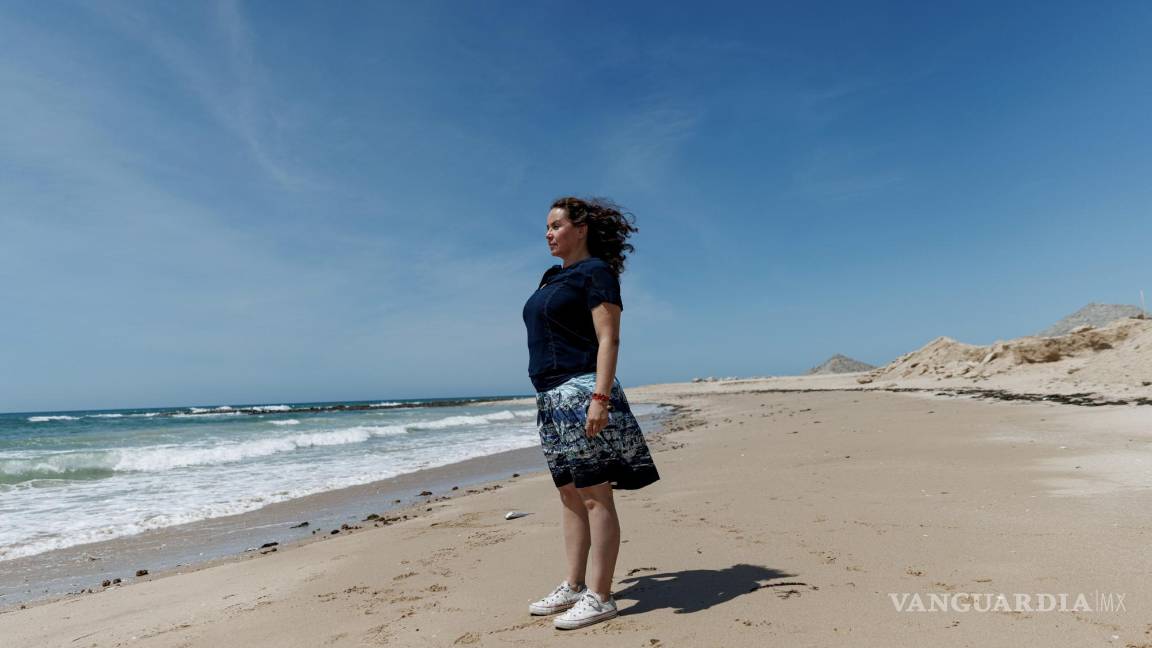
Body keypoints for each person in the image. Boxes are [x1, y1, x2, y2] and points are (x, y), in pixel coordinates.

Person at [521, 196, 661, 630]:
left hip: (582, 392)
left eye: (556, 225)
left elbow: (609, 339)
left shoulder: (596, 273)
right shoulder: (550, 277)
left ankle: (601, 596)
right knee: (569, 492)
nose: (548, 233)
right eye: (546, 227)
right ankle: (575, 584)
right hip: (549, 397)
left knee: (596, 494)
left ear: (580, 229)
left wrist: (599, 398)